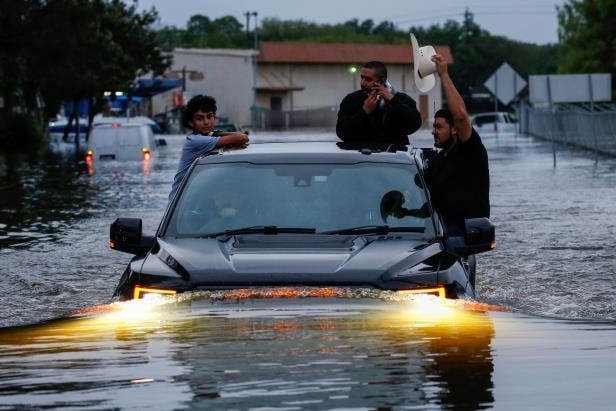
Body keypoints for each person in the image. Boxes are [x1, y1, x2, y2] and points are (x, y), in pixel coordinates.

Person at [423, 53, 490, 235]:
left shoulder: (470, 151)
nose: (433, 131)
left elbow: (460, 116)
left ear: (454, 130)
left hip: (465, 237)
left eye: (439, 127)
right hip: (439, 234)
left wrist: (444, 75)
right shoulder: (437, 161)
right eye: (433, 126)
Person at [168, 95, 249, 202]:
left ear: (214, 117)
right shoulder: (195, 141)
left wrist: (215, 134)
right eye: (200, 118)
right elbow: (242, 137)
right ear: (191, 122)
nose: (206, 122)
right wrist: (217, 134)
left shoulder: (206, 138)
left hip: (194, 197)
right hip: (179, 202)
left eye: (209, 116)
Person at [336, 60, 422, 144]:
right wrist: (364, 112)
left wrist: (393, 101)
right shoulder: (351, 100)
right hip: (361, 156)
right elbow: (342, 133)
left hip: (394, 156)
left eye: (368, 79)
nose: (363, 83)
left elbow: (413, 125)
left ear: (382, 81)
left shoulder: (402, 99)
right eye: (362, 78)